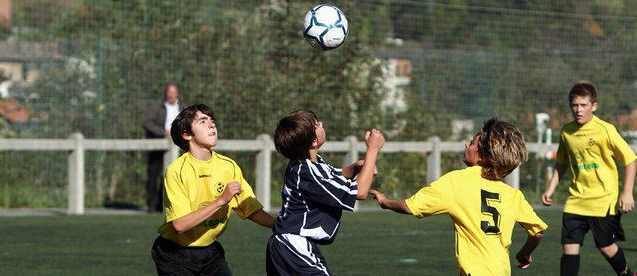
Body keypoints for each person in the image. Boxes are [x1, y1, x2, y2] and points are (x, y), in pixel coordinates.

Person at [370, 118, 548, 276]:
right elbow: (537, 233)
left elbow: (410, 206)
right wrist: (524, 253)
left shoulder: (457, 181)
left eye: (471, 143)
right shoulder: (512, 194)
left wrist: (385, 202)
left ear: (483, 156)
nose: (466, 145)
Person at [151, 104, 276, 276]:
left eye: (212, 120)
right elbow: (180, 225)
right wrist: (221, 201)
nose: (212, 125)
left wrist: (280, 226)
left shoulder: (228, 167)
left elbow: (251, 209)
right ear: (186, 134)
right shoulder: (177, 171)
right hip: (174, 254)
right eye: (203, 121)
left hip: (210, 252)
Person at [266, 109, 385, 276]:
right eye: (317, 125)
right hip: (294, 245)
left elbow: (336, 175)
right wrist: (372, 150)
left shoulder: (308, 165)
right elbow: (360, 192)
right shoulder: (308, 171)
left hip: (285, 244)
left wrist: (358, 168)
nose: (321, 124)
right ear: (313, 141)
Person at [542, 81, 637, 276]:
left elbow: (630, 159)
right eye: (575, 105)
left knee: (606, 247)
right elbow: (562, 162)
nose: (578, 110)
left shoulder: (606, 130)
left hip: (603, 200)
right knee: (569, 247)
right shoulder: (566, 132)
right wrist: (551, 188)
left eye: (583, 105)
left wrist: (627, 193)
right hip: (576, 200)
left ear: (594, 106)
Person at [143, 82, 186, 212]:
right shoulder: (157, 107)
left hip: (176, 146)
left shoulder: (183, 108)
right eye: (169, 92)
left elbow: (188, 122)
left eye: (173, 92)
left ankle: (163, 204)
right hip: (158, 144)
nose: (171, 95)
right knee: (153, 174)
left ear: (177, 93)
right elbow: (148, 123)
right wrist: (163, 132)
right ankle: (151, 204)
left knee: (170, 176)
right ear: (166, 93)